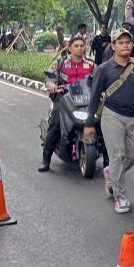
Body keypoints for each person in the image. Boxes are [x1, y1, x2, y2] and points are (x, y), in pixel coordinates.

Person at [84, 28, 134, 213]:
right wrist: (89, 124)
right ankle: (120, 197)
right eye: (120, 42)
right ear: (113, 46)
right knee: (117, 155)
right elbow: (95, 97)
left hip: (132, 117)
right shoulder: (104, 70)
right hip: (111, 115)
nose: (125, 45)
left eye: (128, 42)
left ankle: (110, 172)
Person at [38, 37, 95, 172]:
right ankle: (46, 159)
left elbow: (100, 79)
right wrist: (51, 84)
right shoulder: (61, 63)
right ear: (69, 48)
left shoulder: (92, 65)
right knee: (55, 124)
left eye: (82, 45)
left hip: (86, 99)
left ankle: (108, 162)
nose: (80, 48)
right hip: (63, 98)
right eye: (76, 45)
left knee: (103, 122)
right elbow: (50, 77)